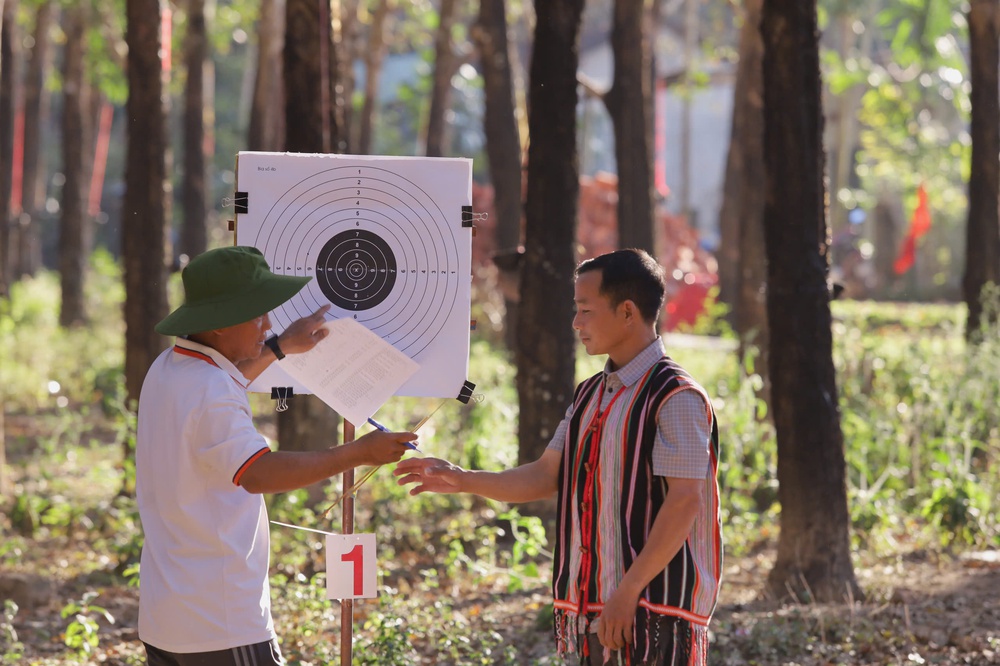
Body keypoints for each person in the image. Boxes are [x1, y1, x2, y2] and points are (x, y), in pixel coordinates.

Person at [394, 249, 722, 666]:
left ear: (626, 312)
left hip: (654, 615)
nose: (576, 323)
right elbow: (546, 474)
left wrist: (627, 591)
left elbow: (684, 502)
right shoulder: (590, 394)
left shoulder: (676, 396)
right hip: (591, 611)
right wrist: (461, 479)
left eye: (585, 310)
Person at [136, 246, 417, 666]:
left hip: (168, 618)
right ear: (217, 324)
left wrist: (279, 348)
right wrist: (357, 452)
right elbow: (258, 472)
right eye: (257, 316)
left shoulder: (169, 367)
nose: (267, 324)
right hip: (221, 623)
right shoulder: (209, 391)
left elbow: (223, 388)